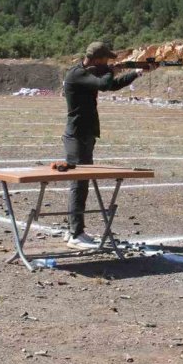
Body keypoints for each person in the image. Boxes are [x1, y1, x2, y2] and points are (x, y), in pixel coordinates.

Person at [63, 42, 155, 249]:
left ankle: (75, 230)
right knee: (79, 182)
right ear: (97, 60)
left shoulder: (88, 74)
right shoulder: (77, 74)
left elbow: (111, 85)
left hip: (85, 134)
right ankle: (75, 233)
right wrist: (112, 71)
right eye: (106, 60)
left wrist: (138, 72)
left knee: (82, 182)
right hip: (77, 135)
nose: (109, 63)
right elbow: (105, 84)